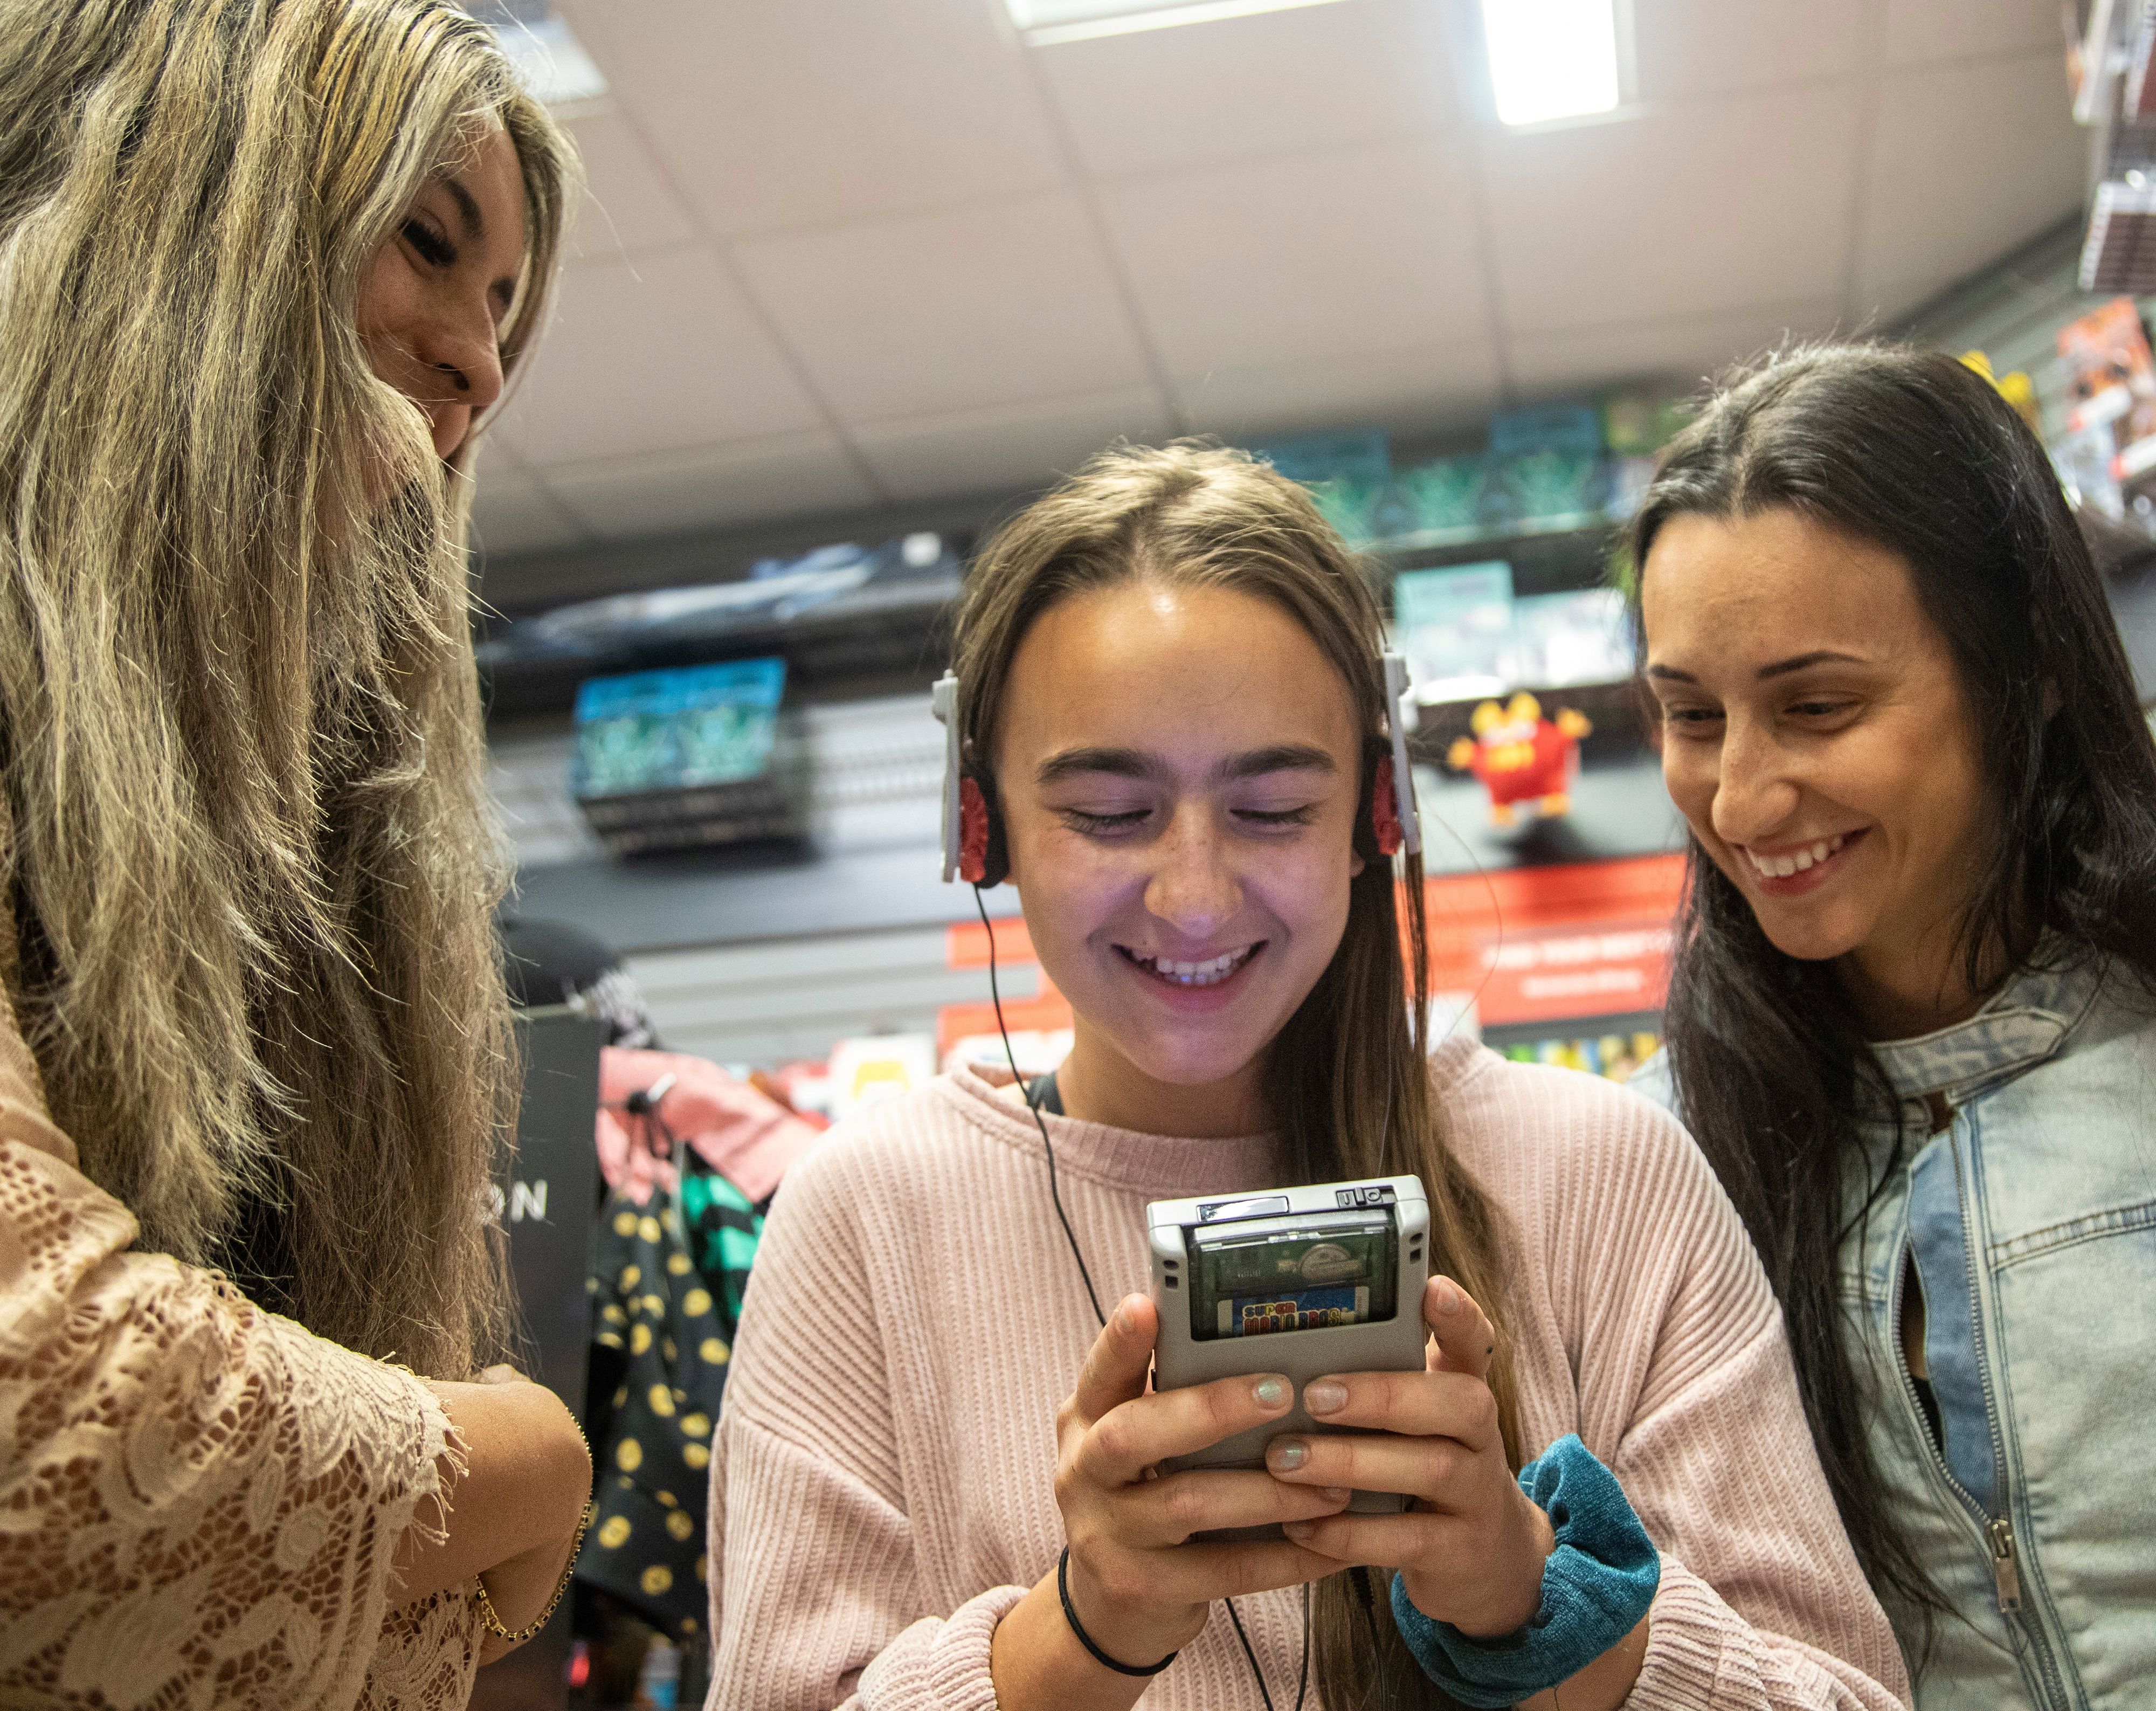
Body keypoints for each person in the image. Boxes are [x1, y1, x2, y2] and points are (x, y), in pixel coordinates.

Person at [707, 442, 1911, 1710]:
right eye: (1109, 814)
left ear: (1374, 815)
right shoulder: (860, 1220)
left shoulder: (1600, 1173)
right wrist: (1087, 1626)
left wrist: (1533, 1605)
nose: (1190, 896)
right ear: (981, 827)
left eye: (1273, 808)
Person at [0, 3, 593, 1705]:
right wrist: (516, 1457)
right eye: (429, 241)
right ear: (174, 202)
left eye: (507, 319)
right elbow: (46, 1389)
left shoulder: (296, 868)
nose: (484, 366)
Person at [1625, 344, 2156, 1710]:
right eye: (1689, 716)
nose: (1738, 799)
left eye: (1816, 707)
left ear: (2025, 667)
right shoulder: (1660, 1156)